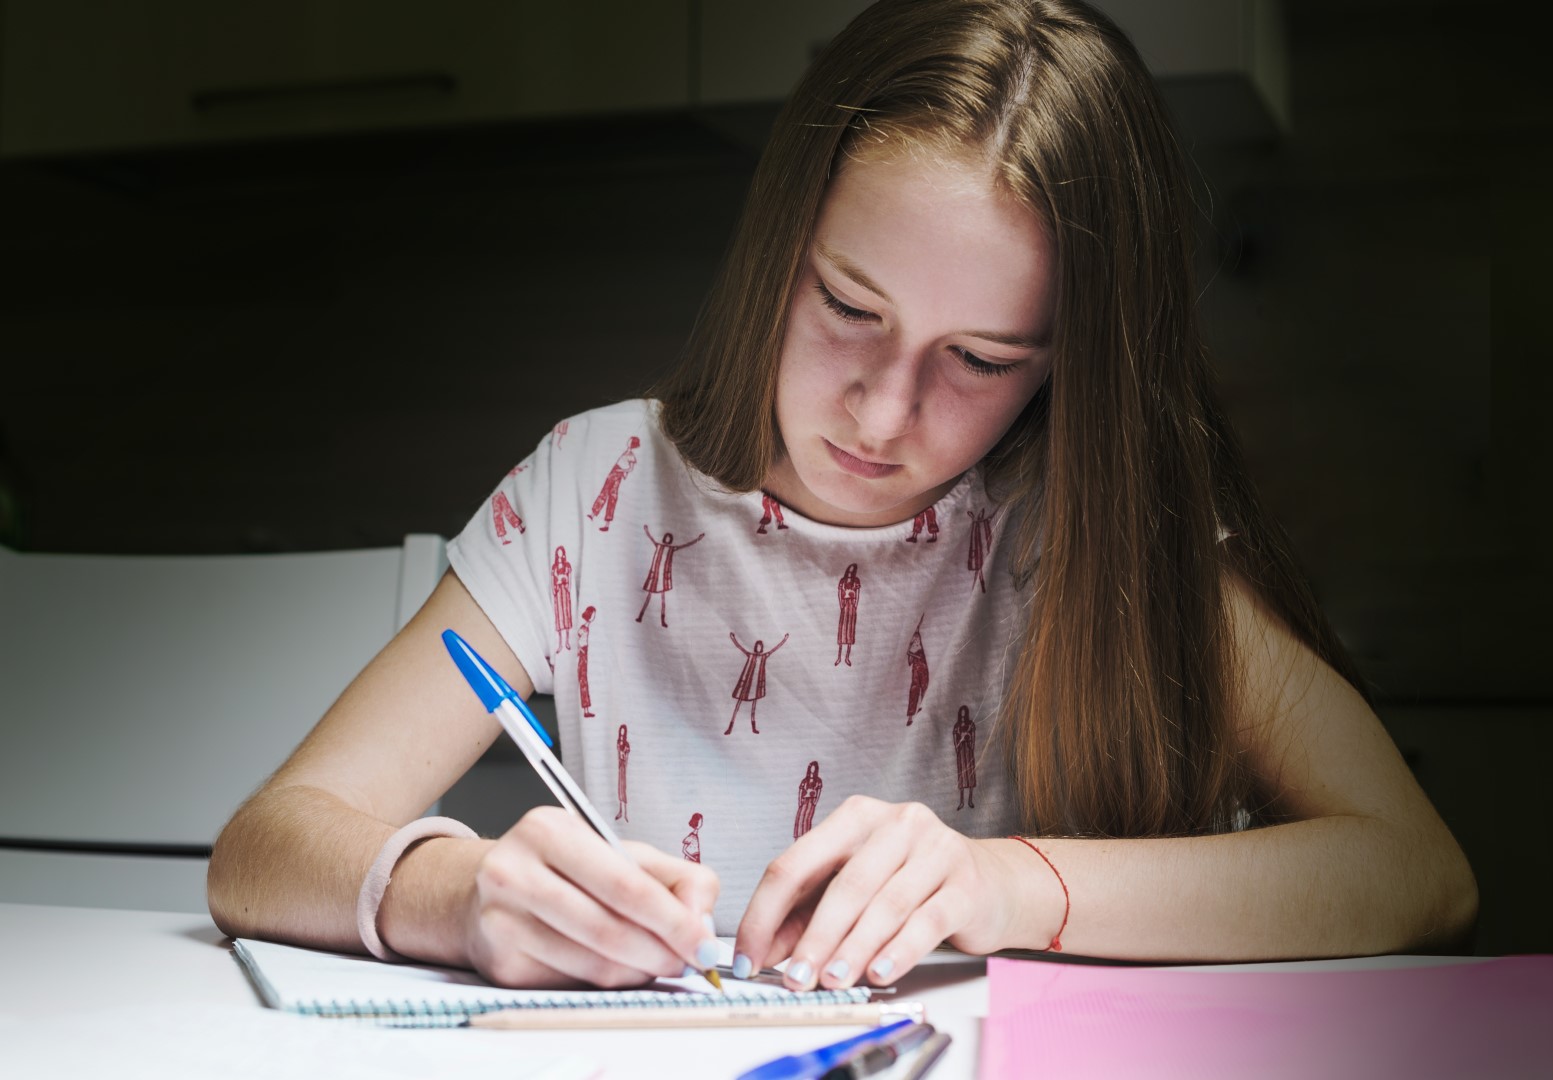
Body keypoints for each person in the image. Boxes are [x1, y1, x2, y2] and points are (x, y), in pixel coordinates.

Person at [208, 0, 1476, 996]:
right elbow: (265, 845)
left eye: (978, 362)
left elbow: (1418, 870)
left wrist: (1003, 886)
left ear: (1068, 366)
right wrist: (460, 894)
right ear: (781, 248)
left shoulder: (1096, 530)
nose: (879, 414)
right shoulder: (590, 495)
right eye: (847, 309)